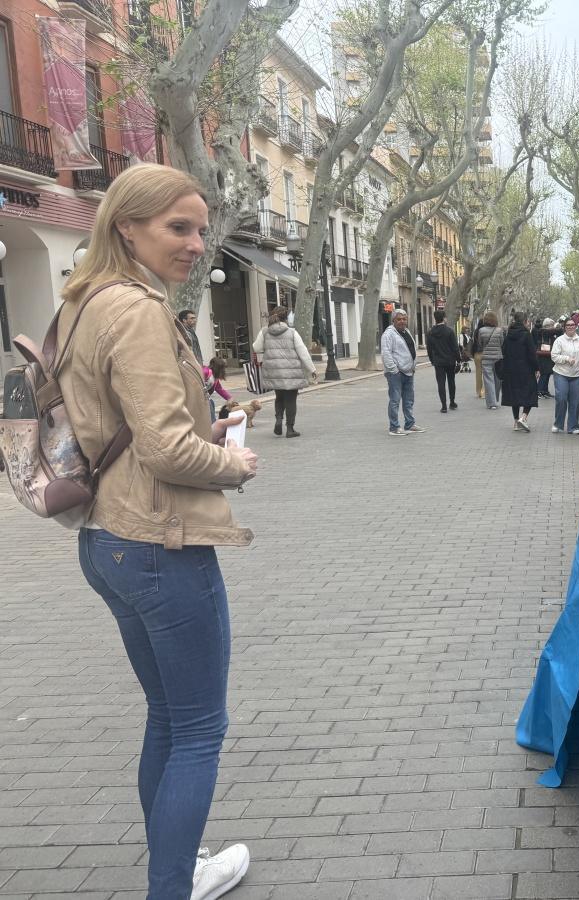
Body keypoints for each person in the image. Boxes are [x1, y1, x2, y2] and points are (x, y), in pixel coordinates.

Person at [57, 163, 258, 900]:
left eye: (201, 228)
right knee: (201, 728)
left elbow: (123, 423)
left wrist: (215, 422)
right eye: (179, 227)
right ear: (126, 227)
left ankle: (180, 868)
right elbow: (168, 450)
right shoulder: (138, 311)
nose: (197, 243)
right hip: (160, 542)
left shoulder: (82, 301)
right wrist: (233, 461)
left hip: (106, 538)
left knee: (170, 719)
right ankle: (172, 886)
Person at [253, 306, 315, 438]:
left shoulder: (264, 331)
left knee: (279, 397)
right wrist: (312, 369)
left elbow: (256, 347)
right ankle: (290, 429)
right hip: (291, 371)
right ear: (286, 318)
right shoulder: (292, 332)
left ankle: (278, 419)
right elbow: (302, 352)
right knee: (291, 400)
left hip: (273, 370)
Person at [382, 308, 423, 435]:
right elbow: (386, 353)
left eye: (404, 319)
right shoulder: (388, 334)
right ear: (393, 320)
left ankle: (409, 424)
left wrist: (413, 365)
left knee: (408, 399)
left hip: (408, 371)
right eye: (399, 319)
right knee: (395, 400)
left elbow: (411, 350)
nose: (402, 321)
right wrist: (394, 370)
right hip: (396, 373)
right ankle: (394, 427)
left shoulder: (407, 332)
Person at [500, 311, 539, 432]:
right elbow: (532, 354)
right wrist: (537, 368)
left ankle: (516, 422)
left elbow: (504, 353)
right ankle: (524, 417)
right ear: (525, 321)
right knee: (531, 393)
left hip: (511, 370)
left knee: (514, 395)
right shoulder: (526, 335)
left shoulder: (508, 335)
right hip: (526, 370)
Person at [551, 318, 579, 434]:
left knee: (575, 401)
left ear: (576, 326)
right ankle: (558, 424)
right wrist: (567, 359)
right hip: (561, 373)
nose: (570, 327)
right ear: (564, 327)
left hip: (576, 375)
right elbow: (554, 356)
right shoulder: (559, 340)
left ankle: (573, 426)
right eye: (568, 325)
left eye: (572, 325)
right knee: (561, 398)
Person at [425, 308, 459, 413]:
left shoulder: (430, 333)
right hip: (450, 361)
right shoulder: (449, 331)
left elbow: (429, 348)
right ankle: (452, 402)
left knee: (440, 383)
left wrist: (432, 360)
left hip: (438, 361)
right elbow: (455, 347)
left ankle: (443, 405)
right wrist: (458, 359)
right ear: (444, 318)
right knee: (451, 381)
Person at [475, 310, 505, 409]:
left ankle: (492, 403)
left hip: (486, 358)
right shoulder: (499, 330)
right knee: (497, 380)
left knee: (488, 380)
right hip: (498, 358)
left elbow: (480, 343)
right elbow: (502, 343)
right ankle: (495, 400)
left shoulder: (481, 331)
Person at [204, 356, 233, 424]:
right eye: (223, 368)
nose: (224, 371)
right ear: (218, 368)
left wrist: (229, 398)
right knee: (210, 406)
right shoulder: (206, 372)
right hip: (199, 399)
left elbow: (219, 388)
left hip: (205, 399)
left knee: (211, 403)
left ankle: (212, 426)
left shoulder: (214, 377)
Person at [533, 316, 557, 398]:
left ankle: (545, 391)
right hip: (543, 356)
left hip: (548, 355)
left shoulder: (548, 333)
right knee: (544, 374)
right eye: (552, 325)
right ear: (548, 325)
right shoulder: (544, 332)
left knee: (548, 374)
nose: (553, 327)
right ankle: (539, 390)